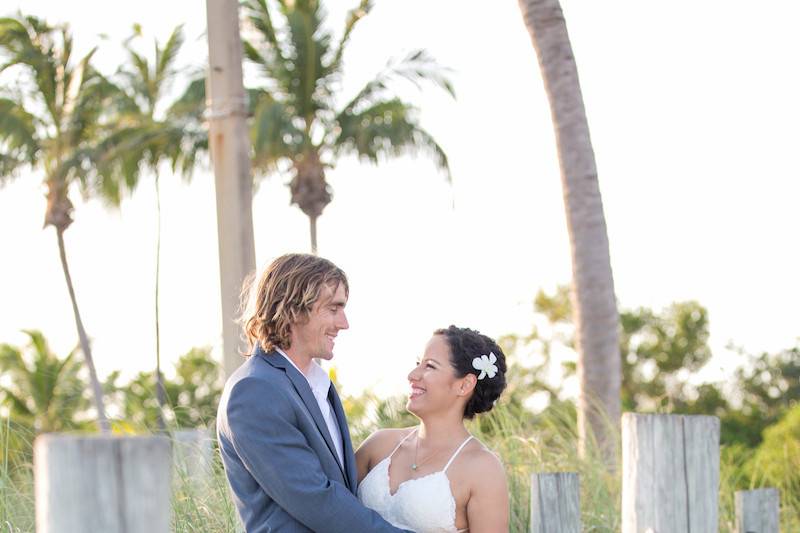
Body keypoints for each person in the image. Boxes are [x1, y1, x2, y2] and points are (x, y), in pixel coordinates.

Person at [216, 253, 410, 532]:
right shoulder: (254, 390)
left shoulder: (318, 386)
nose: (344, 323)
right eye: (333, 309)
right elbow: (317, 499)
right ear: (293, 309)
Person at [356, 326, 510, 533]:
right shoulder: (379, 445)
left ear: (464, 385)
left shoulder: (483, 468)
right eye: (418, 363)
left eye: (429, 366)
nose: (412, 375)